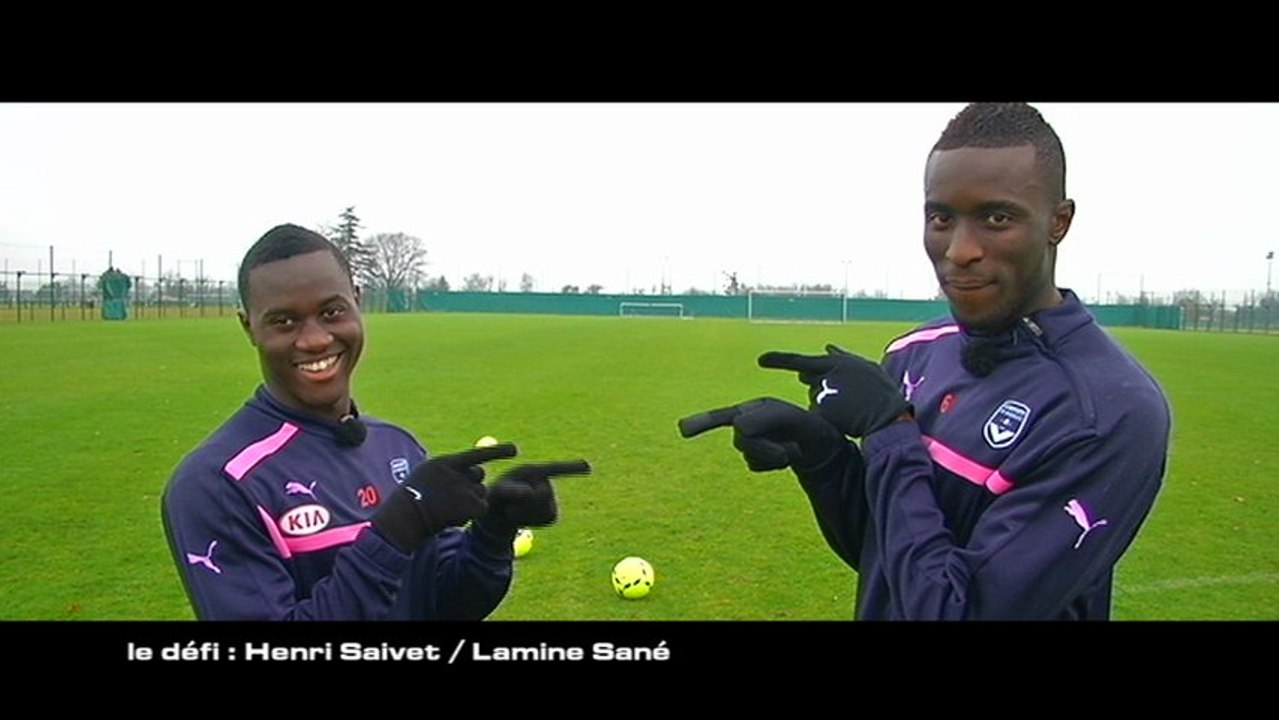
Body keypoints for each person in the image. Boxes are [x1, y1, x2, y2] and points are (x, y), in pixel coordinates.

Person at [681, 103, 1170, 620]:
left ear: (1058, 221)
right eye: (941, 218)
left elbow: (956, 611)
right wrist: (822, 456)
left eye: (996, 218)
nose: (959, 250)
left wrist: (890, 430)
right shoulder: (916, 352)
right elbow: (889, 556)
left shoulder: (1107, 412)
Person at [162, 223, 589, 620]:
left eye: (331, 312)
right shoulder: (217, 483)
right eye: (284, 321)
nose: (315, 339)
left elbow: (445, 603)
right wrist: (396, 532)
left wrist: (493, 533)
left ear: (357, 302)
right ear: (248, 327)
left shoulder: (397, 447)